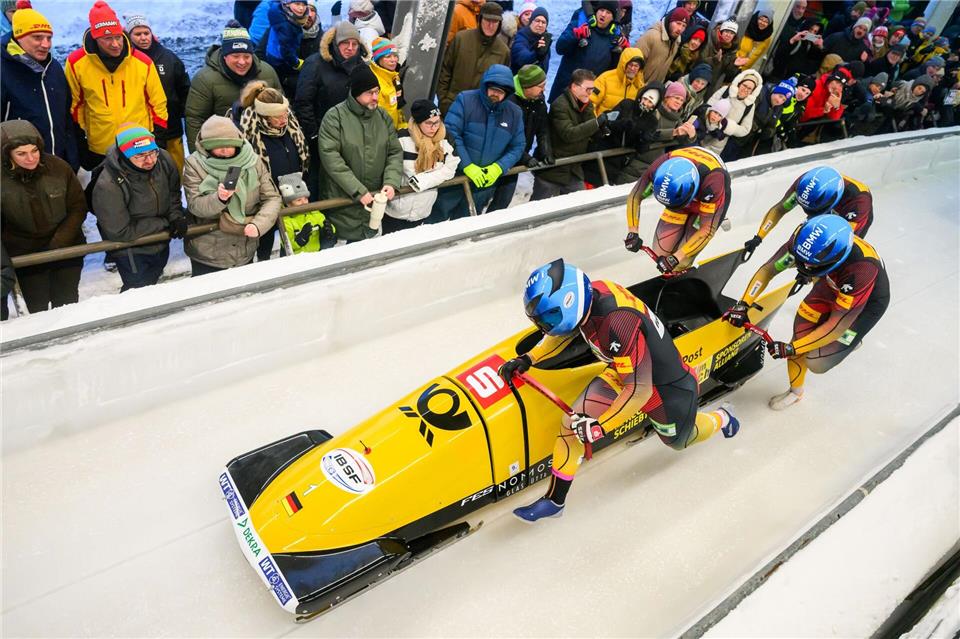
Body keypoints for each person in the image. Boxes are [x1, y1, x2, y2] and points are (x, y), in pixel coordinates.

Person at [502, 259, 740, 521]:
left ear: (570, 300)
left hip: (665, 389)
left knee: (682, 440)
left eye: (550, 318)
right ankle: (554, 501)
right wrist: (529, 358)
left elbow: (640, 390)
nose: (546, 326)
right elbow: (563, 332)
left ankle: (723, 417)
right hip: (626, 372)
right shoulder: (591, 295)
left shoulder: (616, 322)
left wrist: (600, 426)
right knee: (572, 425)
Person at [726, 215, 889, 410]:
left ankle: (853, 339)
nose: (806, 267)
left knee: (817, 362)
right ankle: (796, 392)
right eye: (802, 261)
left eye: (812, 265)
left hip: (863, 304)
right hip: (830, 284)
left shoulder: (862, 269)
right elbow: (768, 270)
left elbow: (837, 327)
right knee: (800, 337)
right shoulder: (804, 240)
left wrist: (792, 349)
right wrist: (743, 304)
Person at [65, 0, 167, 170]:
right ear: (96, 38)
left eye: (118, 37)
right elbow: (74, 105)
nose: (115, 44)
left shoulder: (143, 62)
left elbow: (158, 103)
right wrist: (81, 142)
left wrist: (158, 138)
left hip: (139, 145)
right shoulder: (76, 63)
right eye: (107, 38)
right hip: (99, 146)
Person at [0, 120, 85, 315]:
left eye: (34, 151)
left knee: (67, 304)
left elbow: (77, 206)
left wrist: (59, 242)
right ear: (7, 154)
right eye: (21, 154)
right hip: (25, 256)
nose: (31, 158)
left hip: (66, 247)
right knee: (38, 309)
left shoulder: (58, 167)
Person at [91, 124, 186, 291]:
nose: (149, 160)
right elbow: (119, 231)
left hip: (160, 241)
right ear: (125, 156)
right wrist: (164, 223)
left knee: (152, 283)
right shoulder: (108, 184)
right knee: (137, 290)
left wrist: (175, 216)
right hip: (131, 250)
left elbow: (173, 193)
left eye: (152, 153)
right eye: (140, 156)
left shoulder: (163, 159)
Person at [183, 115, 281, 275]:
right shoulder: (194, 164)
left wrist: (259, 225)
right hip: (208, 254)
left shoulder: (253, 160)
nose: (225, 150)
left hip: (245, 248)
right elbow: (195, 205)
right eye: (218, 146)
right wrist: (219, 198)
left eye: (229, 145)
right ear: (207, 147)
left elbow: (272, 198)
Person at [317, 64, 402, 241]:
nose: (375, 97)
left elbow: (394, 152)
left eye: (377, 92)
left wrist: (391, 181)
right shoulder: (334, 117)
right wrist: (358, 191)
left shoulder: (383, 117)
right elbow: (331, 159)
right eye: (369, 93)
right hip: (343, 203)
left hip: (375, 202)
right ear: (356, 93)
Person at [433, 64, 524, 218]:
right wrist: (467, 165)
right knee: (437, 217)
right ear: (485, 86)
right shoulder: (466, 100)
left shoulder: (514, 113)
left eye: (501, 92)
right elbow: (451, 133)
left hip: (484, 183)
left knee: (467, 222)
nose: (495, 94)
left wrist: (499, 167)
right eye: (493, 89)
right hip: (455, 176)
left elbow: (518, 146)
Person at [623, 146, 730, 274]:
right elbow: (635, 197)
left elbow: (707, 230)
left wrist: (676, 258)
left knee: (681, 263)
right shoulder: (658, 169)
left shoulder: (713, 182)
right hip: (678, 201)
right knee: (660, 253)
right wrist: (633, 231)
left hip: (707, 203)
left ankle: (717, 217)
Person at [0, 1, 78, 170]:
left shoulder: (54, 67)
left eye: (49, 38)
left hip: (58, 165)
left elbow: (65, 118)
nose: (46, 44)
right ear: (19, 37)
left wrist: (72, 159)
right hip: (18, 169)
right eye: (37, 37)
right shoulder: (3, 69)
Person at [236, 81, 308, 260]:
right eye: (277, 117)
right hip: (264, 199)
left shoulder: (290, 126)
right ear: (264, 116)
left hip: (292, 193)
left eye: (285, 114)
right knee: (265, 244)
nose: (284, 120)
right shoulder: (248, 132)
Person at [185, 20, 282, 154]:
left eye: (247, 56)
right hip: (225, 148)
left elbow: (282, 108)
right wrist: (200, 156)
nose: (242, 62)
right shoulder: (204, 79)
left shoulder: (267, 72)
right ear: (225, 56)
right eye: (236, 56)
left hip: (266, 145)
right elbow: (195, 120)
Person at [294, 21, 368, 194]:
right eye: (345, 43)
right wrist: (314, 134)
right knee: (318, 180)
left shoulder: (362, 66)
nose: (350, 48)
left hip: (352, 137)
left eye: (354, 44)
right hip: (321, 136)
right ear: (335, 43)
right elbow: (303, 102)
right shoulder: (316, 64)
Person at [743, 166, 873, 260]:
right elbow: (780, 209)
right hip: (825, 207)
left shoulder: (859, 202)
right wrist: (759, 236)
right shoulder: (805, 183)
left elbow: (842, 242)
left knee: (830, 252)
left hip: (852, 216)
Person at [124, 14, 191, 175]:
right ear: (129, 36)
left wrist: (181, 112)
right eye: (137, 34)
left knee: (175, 171)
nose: (143, 38)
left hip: (171, 127)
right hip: (139, 130)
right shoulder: (125, 61)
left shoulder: (169, 58)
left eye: (146, 33)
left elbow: (184, 89)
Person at [383, 100, 459, 233]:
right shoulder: (401, 139)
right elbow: (390, 166)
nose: (434, 128)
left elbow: (450, 168)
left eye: (437, 122)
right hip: (395, 211)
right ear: (418, 123)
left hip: (423, 210)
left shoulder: (445, 140)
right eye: (428, 123)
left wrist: (423, 181)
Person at [487, 64, 552, 212]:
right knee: (481, 201)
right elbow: (503, 138)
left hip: (515, 162)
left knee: (502, 204)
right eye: (540, 86)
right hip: (496, 160)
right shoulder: (507, 102)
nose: (544, 89)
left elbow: (543, 129)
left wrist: (546, 150)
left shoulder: (538, 100)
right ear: (527, 86)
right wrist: (525, 158)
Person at [533, 69, 601, 200]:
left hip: (573, 168)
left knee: (580, 204)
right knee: (539, 206)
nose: (590, 93)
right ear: (574, 87)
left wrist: (602, 128)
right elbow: (569, 134)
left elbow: (591, 129)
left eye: (592, 89)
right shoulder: (560, 105)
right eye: (587, 89)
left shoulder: (586, 104)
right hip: (553, 168)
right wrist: (596, 123)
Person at [436, 2, 511, 115]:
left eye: (495, 21)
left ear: (500, 24)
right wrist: (444, 100)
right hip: (452, 104)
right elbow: (445, 71)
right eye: (487, 20)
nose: (490, 25)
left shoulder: (503, 52)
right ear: (480, 19)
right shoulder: (461, 39)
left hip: (480, 112)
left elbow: (502, 85)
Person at [548, 3, 624, 104]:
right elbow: (560, 48)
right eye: (601, 10)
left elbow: (613, 71)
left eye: (608, 12)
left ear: (613, 18)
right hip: (566, 91)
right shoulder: (581, 23)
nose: (603, 14)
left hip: (590, 97)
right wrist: (575, 35)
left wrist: (622, 51)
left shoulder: (615, 38)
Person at [704, 69, 762, 157]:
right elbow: (708, 106)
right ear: (739, 83)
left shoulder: (750, 105)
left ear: (753, 91)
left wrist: (727, 125)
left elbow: (745, 129)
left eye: (749, 88)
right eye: (744, 85)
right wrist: (713, 121)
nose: (745, 89)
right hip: (704, 130)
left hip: (718, 142)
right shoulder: (725, 90)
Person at [276, 172, 337, 253]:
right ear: (288, 204)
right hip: (298, 258)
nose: (304, 202)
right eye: (299, 200)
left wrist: (329, 230)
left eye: (305, 198)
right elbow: (286, 244)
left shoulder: (314, 213)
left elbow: (325, 224)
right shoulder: (286, 220)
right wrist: (298, 241)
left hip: (317, 254)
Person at [263, 0, 309, 96]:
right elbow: (285, 50)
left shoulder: (283, 15)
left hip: (275, 57)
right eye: (297, 4)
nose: (301, 8)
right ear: (288, 4)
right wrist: (297, 63)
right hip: (279, 63)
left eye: (304, 4)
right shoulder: (286, 25)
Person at [635, 6, 688, 84]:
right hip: (636, 86)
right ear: (670, 21)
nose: (680, 28)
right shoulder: (651, 36)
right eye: (678, 23)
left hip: (652, 89)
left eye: (684, 26)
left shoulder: (676, 42)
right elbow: (634, 63)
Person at [591, 47, 645, 116]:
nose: (632, 68)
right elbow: (591, 103)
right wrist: (596, 121)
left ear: (640, 68)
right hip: (602, 121)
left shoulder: (639, 86)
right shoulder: (605, 78)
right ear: (623, 64)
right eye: (630, 65)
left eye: (636, 66)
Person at [369, 37, 405, 129]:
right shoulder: (373, 81)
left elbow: (398, 108)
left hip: (395, 131)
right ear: (378, 59)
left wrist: (402, 127)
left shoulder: (394, 77)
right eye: (388, 57)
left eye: (395, 56)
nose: (393, 60)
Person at [701, 19, 741, 94]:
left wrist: (734, 66)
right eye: (726, 31)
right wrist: (714, 60)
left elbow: (728, 74)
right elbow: (699, 61)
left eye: (732, 33)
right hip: (699, 78)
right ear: (721, 31)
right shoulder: (710, 41)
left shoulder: (732, 50)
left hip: (712, 85)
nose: (728, 35)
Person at [510, 6, 550, 75]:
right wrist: (536, 54)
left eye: (543, 22)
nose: (540, 25)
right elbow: (522, 60)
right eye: (537, 21)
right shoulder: (521, 37)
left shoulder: (545, 40)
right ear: (531, 22)